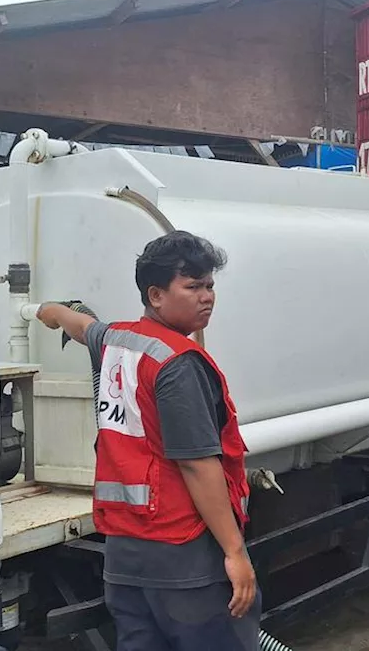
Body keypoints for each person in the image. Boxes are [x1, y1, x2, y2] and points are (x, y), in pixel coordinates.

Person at [35, 230, 260, 651]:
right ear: (156, 295)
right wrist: (234, 553)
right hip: (184, 554)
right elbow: (197, 464)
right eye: (192, 287)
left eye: (210, 286)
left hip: (125, 554)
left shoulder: (119, 341)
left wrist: (49, 311)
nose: (207, 297)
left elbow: (83, 326)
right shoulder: (177, 364)